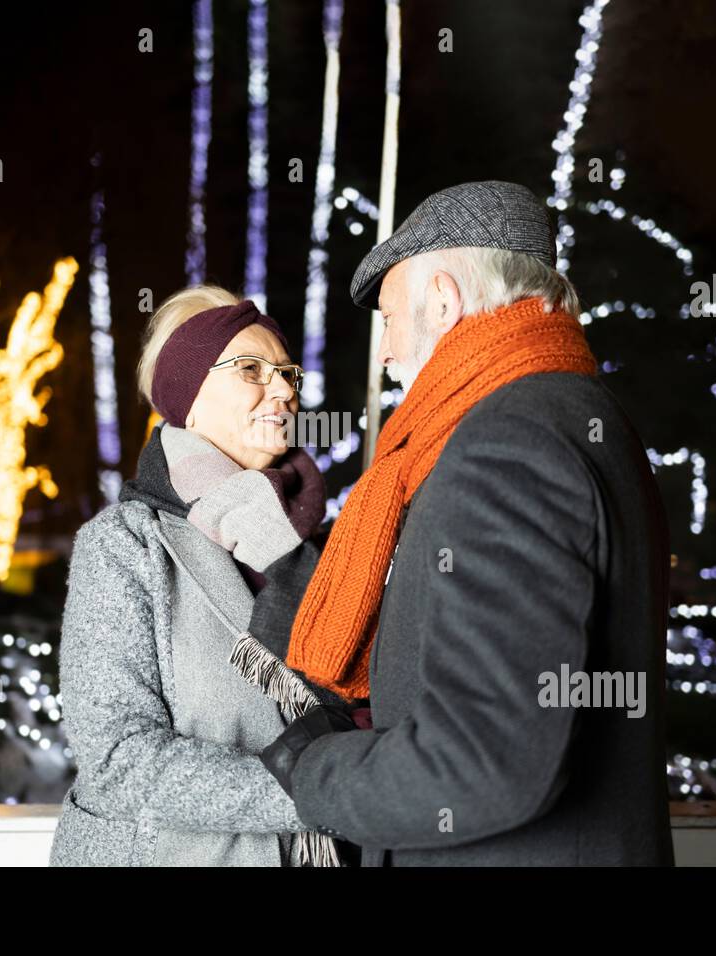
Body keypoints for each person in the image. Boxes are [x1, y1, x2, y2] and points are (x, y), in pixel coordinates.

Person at [259, 181, 676, 866]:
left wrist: (317, 768)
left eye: (390, 319)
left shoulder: (505, 444)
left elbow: (483, 761)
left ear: (444, 302)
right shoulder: (581, 414)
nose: (386, 351)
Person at [49, 287, 344, 866]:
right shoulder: (125, 545)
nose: (283, 390)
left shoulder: (321, 547)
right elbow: (117, 760)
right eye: (253, 370)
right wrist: (326, 792)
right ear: (188, 394)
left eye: (287, 373)